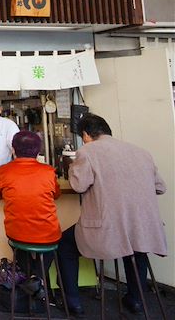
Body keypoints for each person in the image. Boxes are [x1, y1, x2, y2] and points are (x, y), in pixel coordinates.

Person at [58, 113, 167, 316]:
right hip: (142, 226)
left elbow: (78, 185)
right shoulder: (141, 152)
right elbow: (160, 187)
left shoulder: (87, 151)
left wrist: (72, 167)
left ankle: (72, 301)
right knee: (136, 245)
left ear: (86, 135)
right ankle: (136, 299)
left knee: (65, 244)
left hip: (107, 229)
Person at [0, 131, 61, 286]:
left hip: (17, 233)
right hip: (49, 234)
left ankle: (31, 279)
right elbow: (56, 194)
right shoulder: (49, 171)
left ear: (13, 150)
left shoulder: (4, 171)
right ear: (38, 151)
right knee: (49, 248)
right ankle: (38, 279)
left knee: (21, 247)